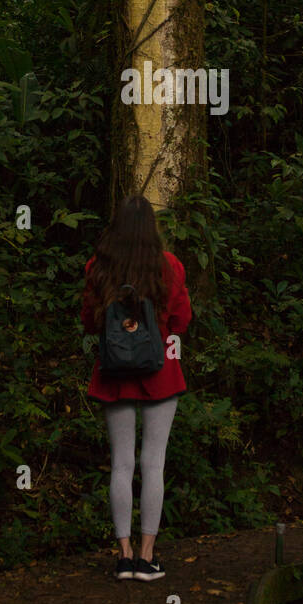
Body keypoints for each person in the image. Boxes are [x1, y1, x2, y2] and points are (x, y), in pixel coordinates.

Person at [81, 195, 192, 581]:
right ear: (151, 227)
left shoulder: (99, 267)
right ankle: (147, 557)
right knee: (153, 463)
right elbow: (182, 318)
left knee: (122, 463)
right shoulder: (169, 266)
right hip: (160, 369)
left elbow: (88, 321)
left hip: (114, 372)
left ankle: (124, 556)